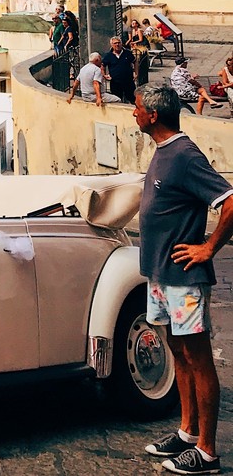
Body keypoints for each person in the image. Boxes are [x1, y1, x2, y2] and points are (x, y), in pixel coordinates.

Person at [136, 84, 233, 474]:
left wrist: (208, 248)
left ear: (154, 115)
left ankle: (207, 451)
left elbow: (229, 200)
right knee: (179, 353)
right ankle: (187, 432)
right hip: (161, 274)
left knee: (198, 358)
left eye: (138, 108)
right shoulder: (164, 153)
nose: (134, 113)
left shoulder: (184, 155)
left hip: (183, 277)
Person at [103, 35, 137, 104]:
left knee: (133, 99)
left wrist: (136, 73)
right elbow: (102, 65)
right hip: (115, 82)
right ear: (111, 45)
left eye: (119, 42)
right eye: (115, 43)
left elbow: (135, 61)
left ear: (121, 43)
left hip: (128, 81)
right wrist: (104, 75)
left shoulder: (127, 53)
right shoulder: (108, 55)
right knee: (117, 100)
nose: (117, 44)